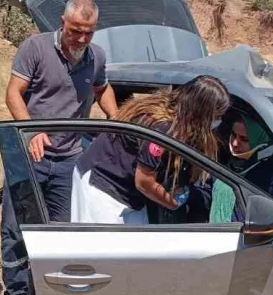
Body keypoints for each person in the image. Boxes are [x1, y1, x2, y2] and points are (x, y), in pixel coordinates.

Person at [0, 0, 117, 295]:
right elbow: (13, 93)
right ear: (62, 23)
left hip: (69, 157)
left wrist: (116, 117)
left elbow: (101, 87)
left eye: (88, 33)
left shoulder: (96, 57)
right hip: (28, 154)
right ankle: (15, 292)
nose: (81, 39)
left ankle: (48, 288)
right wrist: (32, 131)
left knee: (61, 228)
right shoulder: (35, 48)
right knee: (16, 224)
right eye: (76, 31)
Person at [71, 75, 229, 224]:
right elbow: (144, 182)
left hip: (131, 195)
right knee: (101, 249)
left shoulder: (179, 120)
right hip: (102, 187)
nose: (218, 121)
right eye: (216, 116)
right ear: (201, 112)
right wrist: (172, 202)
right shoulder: (162, 129)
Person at [226, 114, 273, 200]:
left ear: (260, 139)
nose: (234, 144)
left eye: (244, 139)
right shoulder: (225, 156)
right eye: (233, 135)